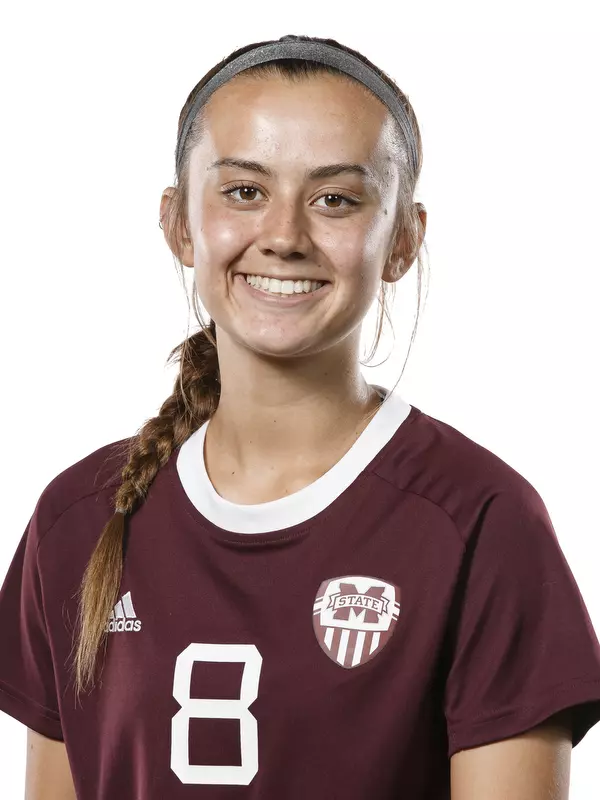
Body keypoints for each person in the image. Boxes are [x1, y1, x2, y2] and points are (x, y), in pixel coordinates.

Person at [0, 32, 599, 800]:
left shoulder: (480, 521)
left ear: (404, 240)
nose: (283, 237)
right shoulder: (78, 519)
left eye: (336, 200)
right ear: (180, 224)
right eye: (245, 191)